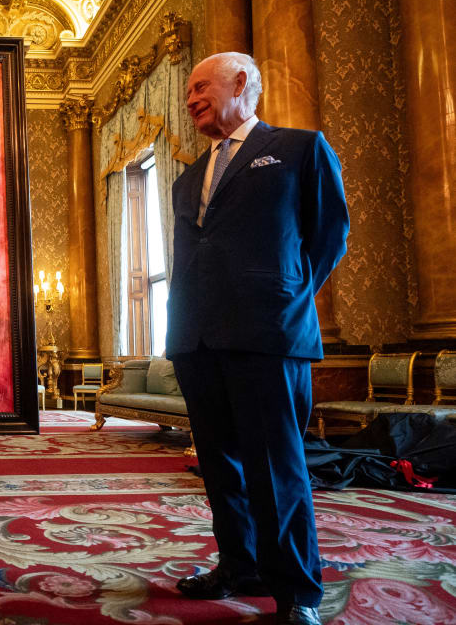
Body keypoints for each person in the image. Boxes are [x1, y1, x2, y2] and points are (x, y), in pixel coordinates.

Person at [165, 52, 348, 625]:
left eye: (200, 87)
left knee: (277, 467)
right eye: (188, 91)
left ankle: (297, 592)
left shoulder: (299, 149)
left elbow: (330, 234)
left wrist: (284, 295)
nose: (191, 98)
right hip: (196, 338)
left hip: (268, 336)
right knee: (219, 466)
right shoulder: (187, 176)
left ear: (241, 84)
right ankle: (238, 566)